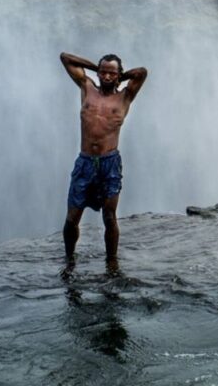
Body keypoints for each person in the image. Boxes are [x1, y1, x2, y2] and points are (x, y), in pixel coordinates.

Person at [59, 52, 147, 275]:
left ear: (118, 76)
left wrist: (120, 76)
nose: (107, 76)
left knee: (109, 216)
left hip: (110, 163)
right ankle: (69, 259)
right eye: (103, 72)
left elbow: (142, 72)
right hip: (85, 162)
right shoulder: (86, 87)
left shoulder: (125, 96)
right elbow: (65, 58)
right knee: (72, 218)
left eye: (112, 73)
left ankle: (111, 262)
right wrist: (95, 68)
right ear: (98, 73)